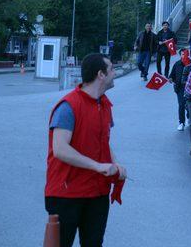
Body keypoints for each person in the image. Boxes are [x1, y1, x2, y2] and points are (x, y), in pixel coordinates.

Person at [45, 53, 127, 247]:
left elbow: (104, 141)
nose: (114, 73)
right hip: (66, 193)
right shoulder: (68, 106)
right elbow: (60, 149)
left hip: (96, 192)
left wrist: (114, 164)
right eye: (112, 69)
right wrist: (97, 166)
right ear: (100, 74)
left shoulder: (105, 104)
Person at [170, 48, 189, 131]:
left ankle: (189, 117)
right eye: (182, 54)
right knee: (181, 105)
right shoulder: (177, 64)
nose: (184, 55)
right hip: (180, 88)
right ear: (180, 55)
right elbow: (172, 75)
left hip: (189, 88)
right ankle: (181, 122)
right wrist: (171, 79)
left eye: (186, 54)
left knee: (188, 105)